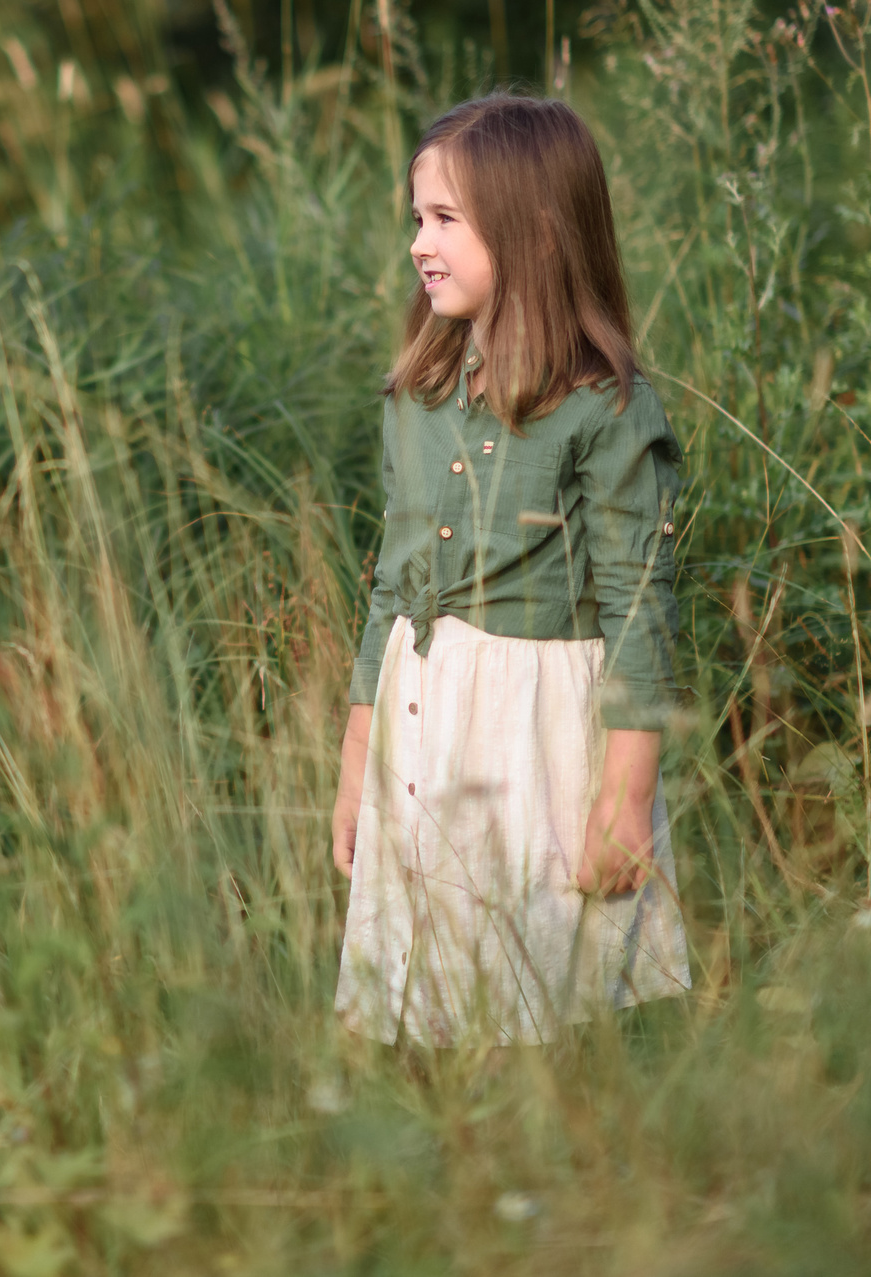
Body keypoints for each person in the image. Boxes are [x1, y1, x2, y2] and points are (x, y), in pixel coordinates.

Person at [330, 94, 691, 1048]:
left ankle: (562, 1163)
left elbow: (639, 604)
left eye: (446, 218)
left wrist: (625, 794)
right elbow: (392, 586)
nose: (420, 241)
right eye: (418, 217)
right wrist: (354, 761)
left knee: (539, 988)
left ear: (532, 231)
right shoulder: (420, 394)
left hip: (530, 730)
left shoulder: (602, 411)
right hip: (420, 718)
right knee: (423, 992)